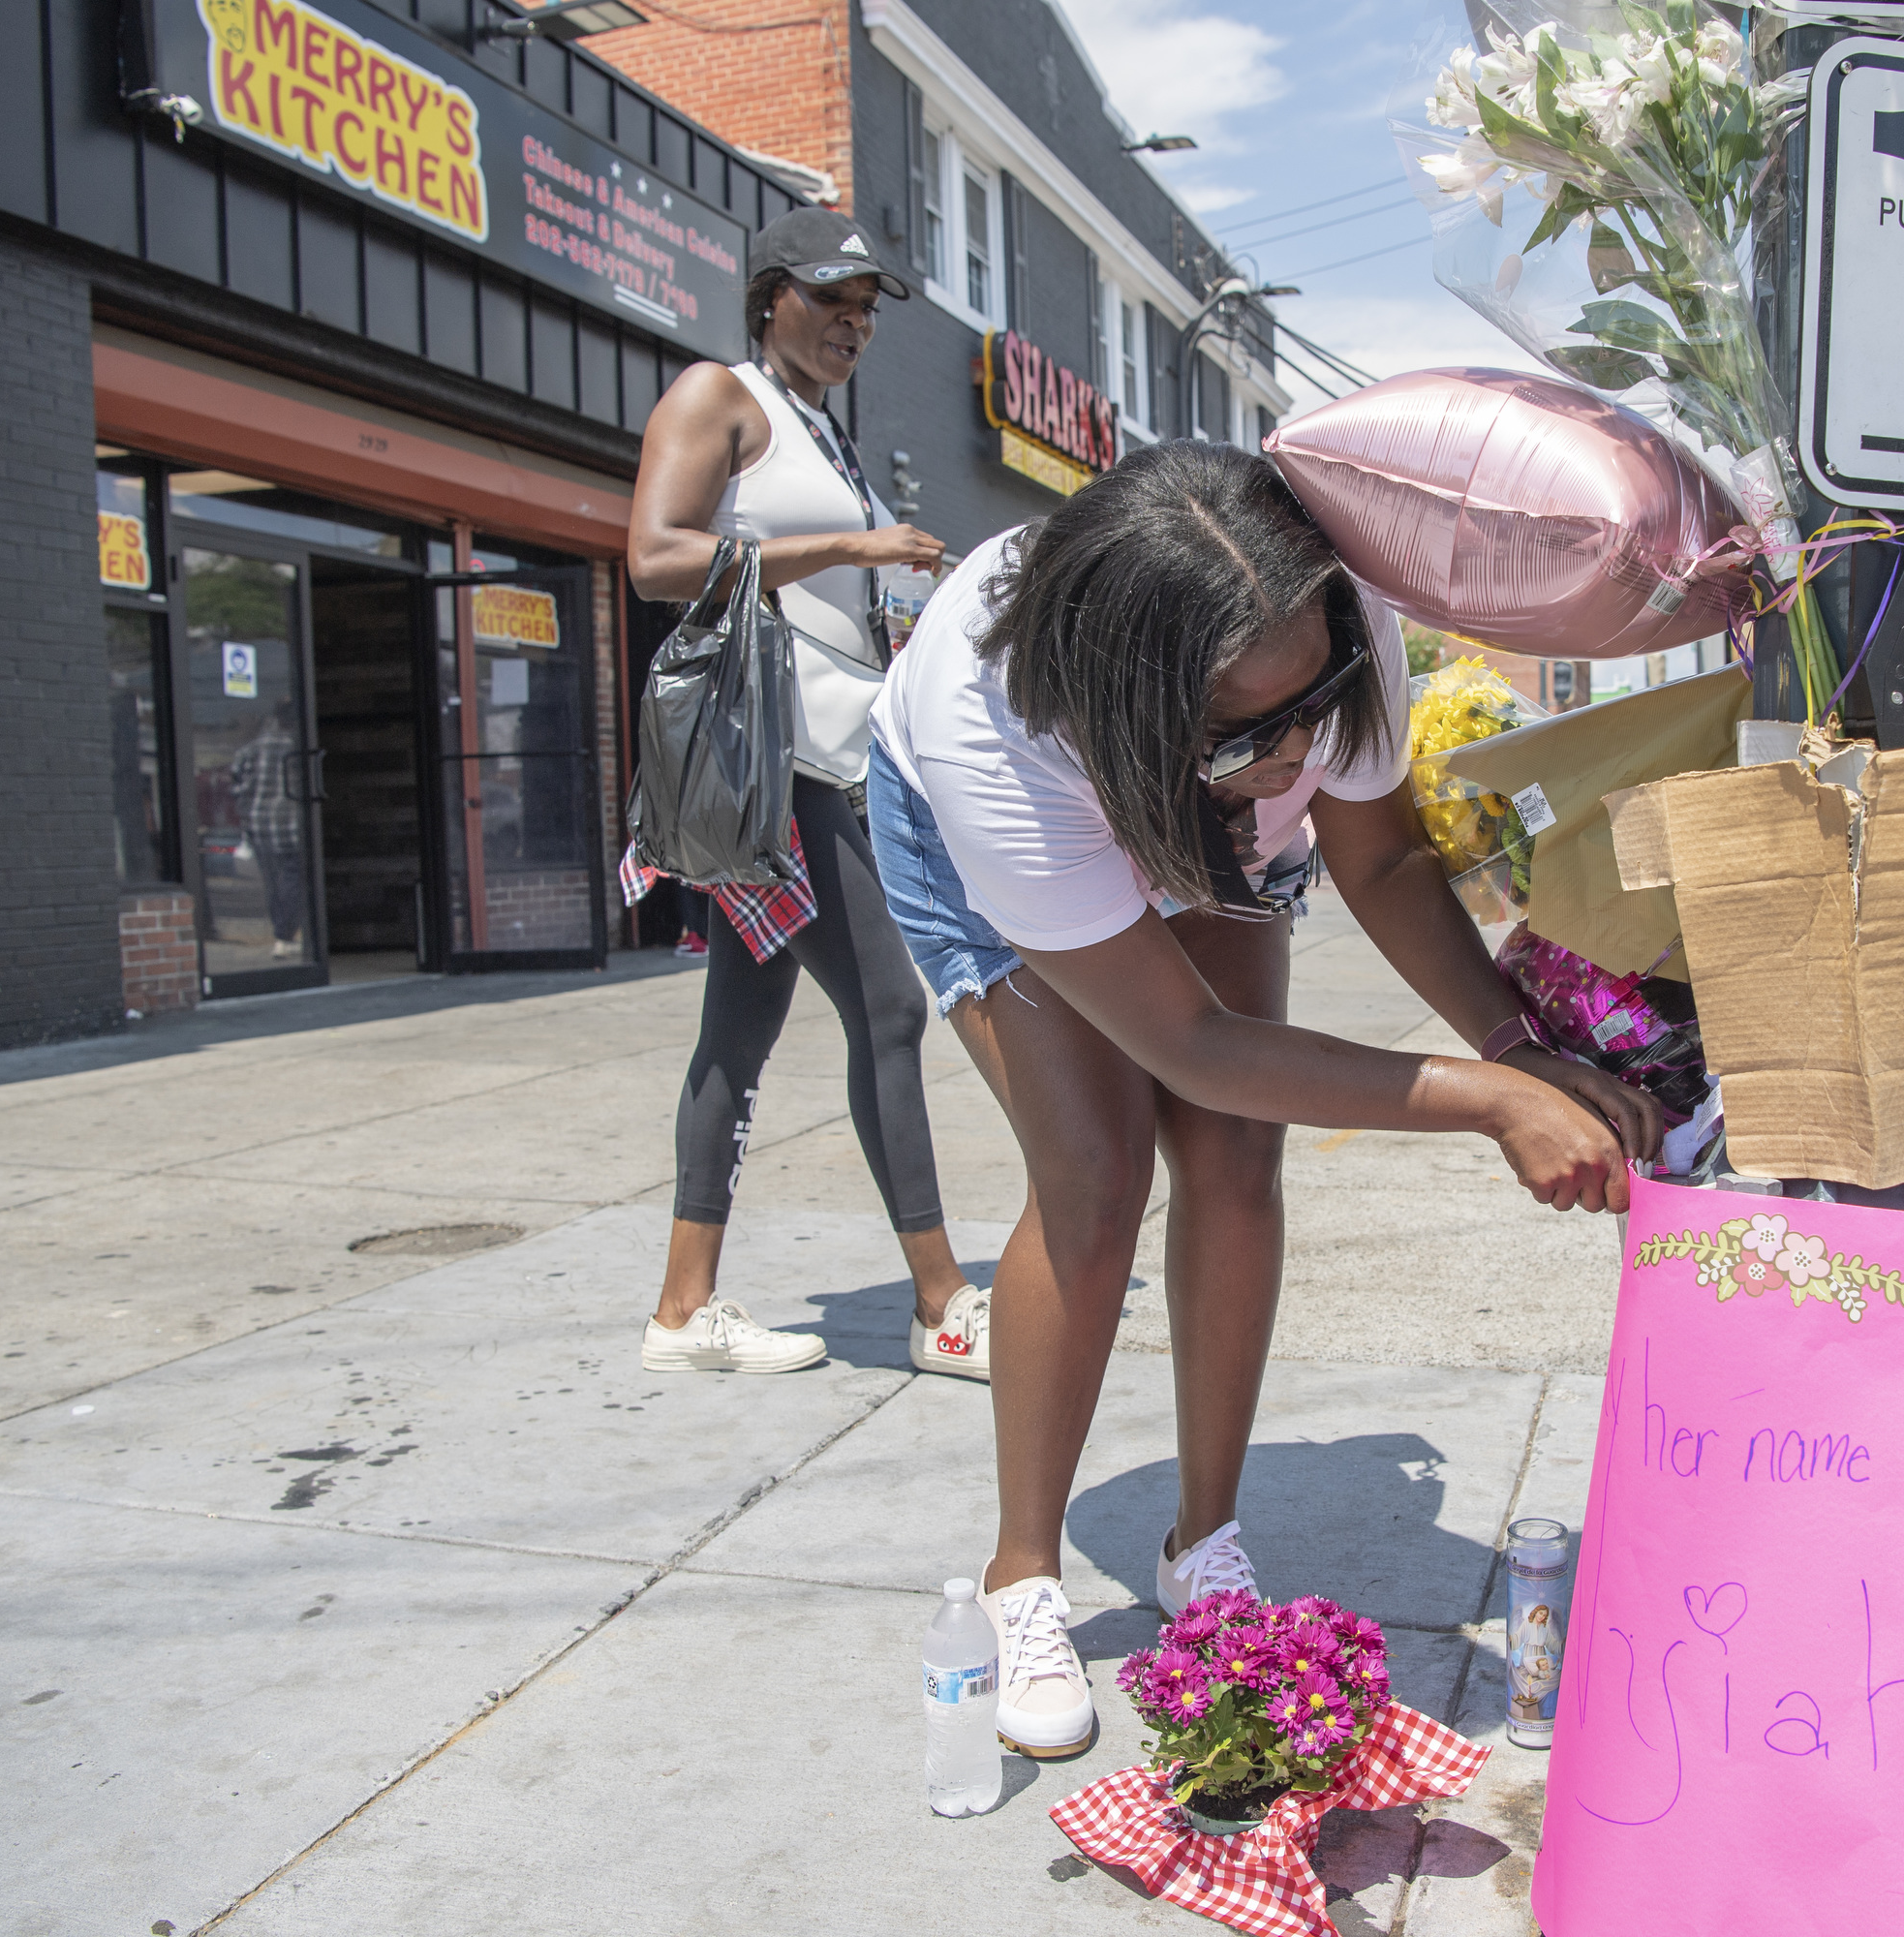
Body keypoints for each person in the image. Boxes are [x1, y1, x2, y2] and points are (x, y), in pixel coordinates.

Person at [865, 441, 1662, 1759]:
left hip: (1186, 807)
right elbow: (1191, 1041)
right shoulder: (995, 722)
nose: (1301, 746)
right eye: (1256, 729)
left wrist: (1516, 1045)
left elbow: (1385, 857)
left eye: (1318, 700)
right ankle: (1023, 1575)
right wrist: (1486, 1103)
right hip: (1011, 836)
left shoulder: (1324, 622)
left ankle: (1206, 1543)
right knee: (1097, 1175)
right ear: (1144, 706)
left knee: (1237, 1165)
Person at [624, 208, 988, 1382]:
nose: (855, 324)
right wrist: (856, 547)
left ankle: (686, 1309)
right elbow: (655, 555)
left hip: (836, 750)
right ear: (769, 293)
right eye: (834, 299)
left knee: (742, 1019)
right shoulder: (715, 395)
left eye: (869, 309)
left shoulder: (822, 429)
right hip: (773, 763)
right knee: (889, 1007)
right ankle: (940, 1303)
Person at [228, 703, 310, 960]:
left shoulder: (251, 750)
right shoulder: (297, 749)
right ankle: (285, 935)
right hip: (291, 825)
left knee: (272, 882)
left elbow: (236, 785)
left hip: (259, 825)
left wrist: (247, 811)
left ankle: (281, 936)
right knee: (293, 880)